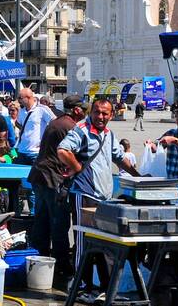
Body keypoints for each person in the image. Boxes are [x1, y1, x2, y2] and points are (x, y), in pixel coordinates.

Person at [58, 97, 141, 285]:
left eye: (105, 113)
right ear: (90, 113)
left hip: (103, 197)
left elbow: (119, 158)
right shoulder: (82, 130)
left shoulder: (108, 134)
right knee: (82, 239)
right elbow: (63, 150)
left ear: (111, 115)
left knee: (102, 240)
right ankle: (79, 282)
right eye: (97, 112)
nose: (100, 116)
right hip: (84, 193)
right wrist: (77, 167)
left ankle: (103, 285)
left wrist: (138, 176)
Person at [27, 95, 85, 285]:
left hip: (40, 176)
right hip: (53, 179)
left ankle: (38, 264)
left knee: (41, 222)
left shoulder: (56, 122)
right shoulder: (70, 126)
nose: (85, 112)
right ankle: (62, 267)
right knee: (59, 224)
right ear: (76, 110)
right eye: (83, 109)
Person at [14, 86, 54, 165]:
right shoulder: (21, 111)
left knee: (35, 176)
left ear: (28, 97)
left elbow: (55, 123)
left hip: (36, 152)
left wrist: (45, 139)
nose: (18, 100)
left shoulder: (42, 109)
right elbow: (18, 124)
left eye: (20, 98)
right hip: (22, 150)